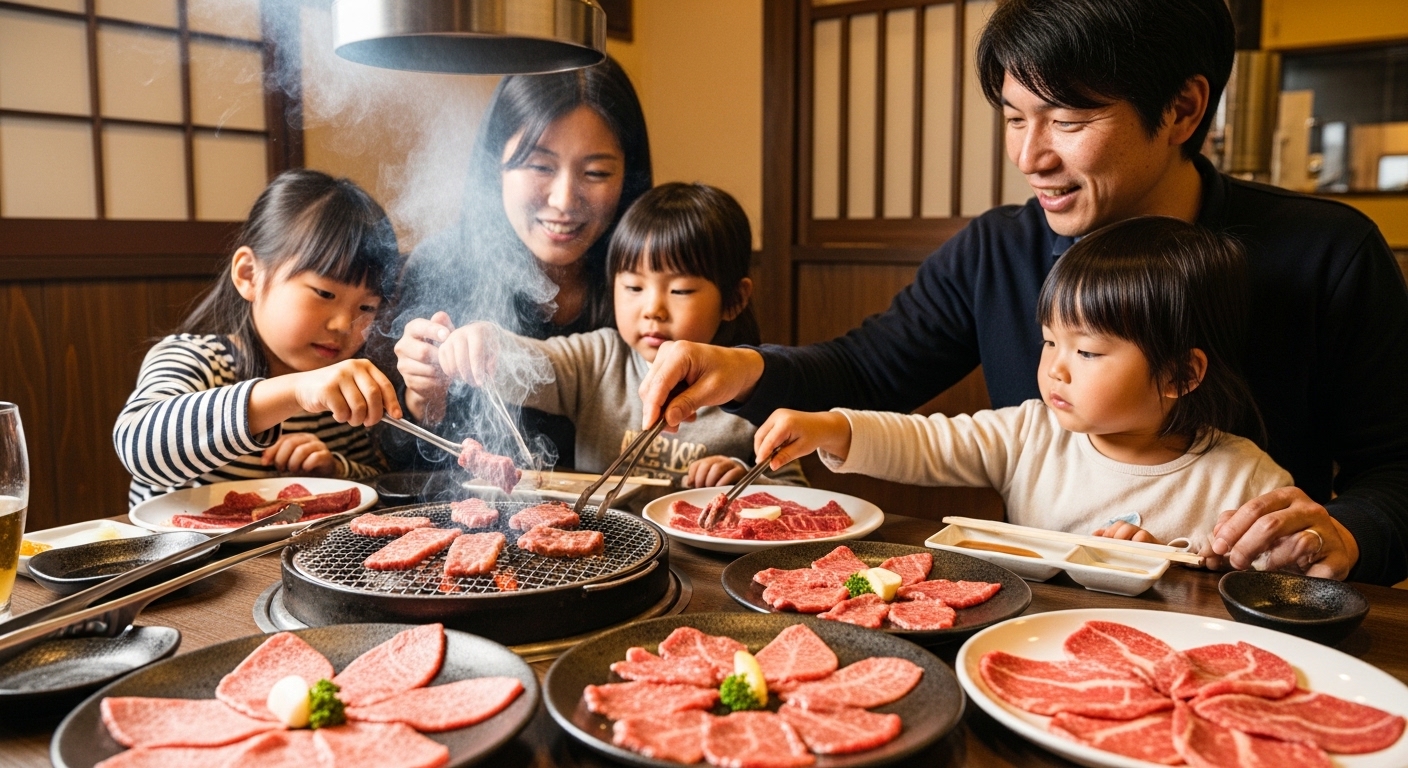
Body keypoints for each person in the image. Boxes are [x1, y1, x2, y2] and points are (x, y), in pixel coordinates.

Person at [639, 0, 1408, 584]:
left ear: (1182, 109)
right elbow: (869, 372)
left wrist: (1344, 534)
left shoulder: (1325, 254)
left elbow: (1397, 473)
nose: (1030, 156)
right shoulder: (998, 251)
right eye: (1014, 118)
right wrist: (746, 368)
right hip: (1038, 626)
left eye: (1066, 119)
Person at [757, 217, 1289, 558]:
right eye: (1049, 342)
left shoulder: (1244, 479)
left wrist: (1183, 558)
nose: (1055, 368)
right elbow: (926, 443)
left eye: (1086, 352)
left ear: (1180, 375)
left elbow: (1284, 573)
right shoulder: (1031, 434)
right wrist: (831, 428)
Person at [436, 183, 805, 488]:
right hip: (598, 545)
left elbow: (795, 489)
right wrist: (487, 344)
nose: (653, 309)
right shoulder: (598, 359)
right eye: (634, 287)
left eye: (679, 290)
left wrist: (744, 480)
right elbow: (533, 364)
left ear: (734, 299)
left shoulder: (753, 385)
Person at [384, 57, 652, 471]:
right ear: (496, 164)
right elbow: (400, 465)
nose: (564, 200)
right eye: (540, 166)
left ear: (628, 177)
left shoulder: (654, 281)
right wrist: (423, 398)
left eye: (596, 172)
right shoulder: (444, 266)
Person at [114, 170, 403, 505]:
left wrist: (334, 469)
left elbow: (378, 482)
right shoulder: (195, 359)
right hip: (182, 541)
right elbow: (138, 446)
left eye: (366, 307)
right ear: (249, 275)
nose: (343, 324)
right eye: (324, 293)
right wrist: (296, 391)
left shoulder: (342, 391)